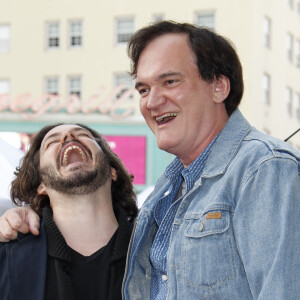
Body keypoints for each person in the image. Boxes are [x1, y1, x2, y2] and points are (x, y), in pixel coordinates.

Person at [1, 20, 300, 299]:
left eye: (170, 82)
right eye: (143, 89)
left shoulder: (265, 168)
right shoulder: (164, 197)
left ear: (219, 86)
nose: (152, 101)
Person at [0, 123, 137, 300]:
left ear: (113, 171)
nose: (69, 135)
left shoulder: (157, 248)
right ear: (41, 185)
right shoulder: (7, 256)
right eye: (51, 142)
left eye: (83, 135)